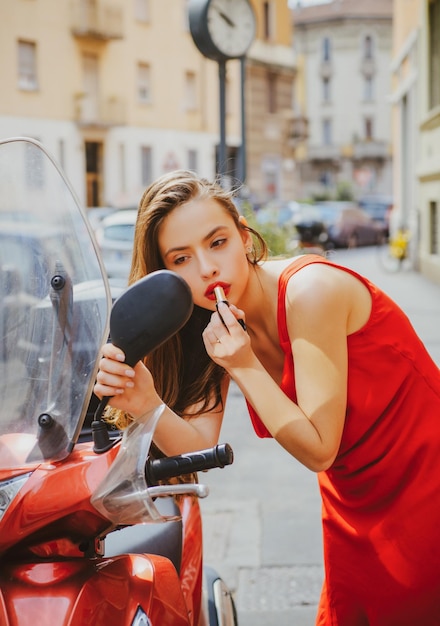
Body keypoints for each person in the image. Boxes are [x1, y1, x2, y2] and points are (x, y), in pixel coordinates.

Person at [94, 170, 440, 626]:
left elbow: (319, 449)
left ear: (243, 236)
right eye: (181, 258)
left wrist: (244, 366)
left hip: (425, 477)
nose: (206, 269)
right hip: (350, 499)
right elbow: (197, 449)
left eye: (217, 242)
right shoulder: (213, 325)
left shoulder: (309, 293)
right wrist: (145, 403)